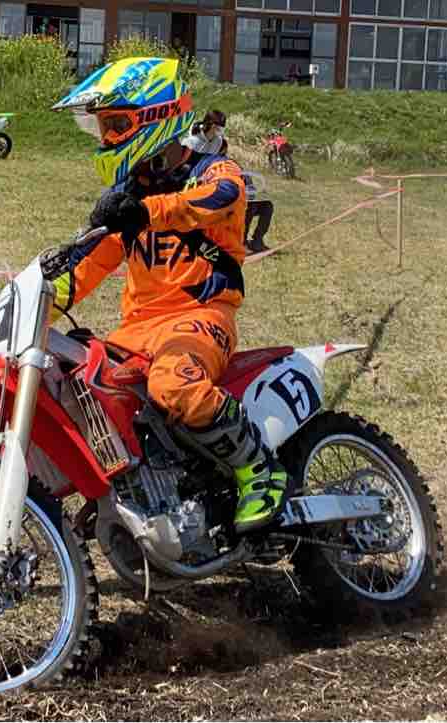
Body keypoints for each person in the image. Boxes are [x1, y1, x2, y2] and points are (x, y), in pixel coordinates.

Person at [46, 57, 287, 534]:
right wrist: (30, 306)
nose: (106, 138)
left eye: (116, 125)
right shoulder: (130, 193)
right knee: (70, 382)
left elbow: (221, 198)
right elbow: (88, 264)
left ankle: (259, 467)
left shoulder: (213, 172)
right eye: (102, 128)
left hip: (202, 316)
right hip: (136, 331)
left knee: (173, 385)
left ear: (156, 117)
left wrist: (146, 211)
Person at [181, 123, 274, 255]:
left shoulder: (230, 164)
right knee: (248, 207)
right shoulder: (200, 165)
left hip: (233, 201)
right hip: (214, 206)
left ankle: (257, 242)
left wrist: (249, 189)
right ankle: (240, 242)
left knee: (266, 206)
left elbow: (247, 181)